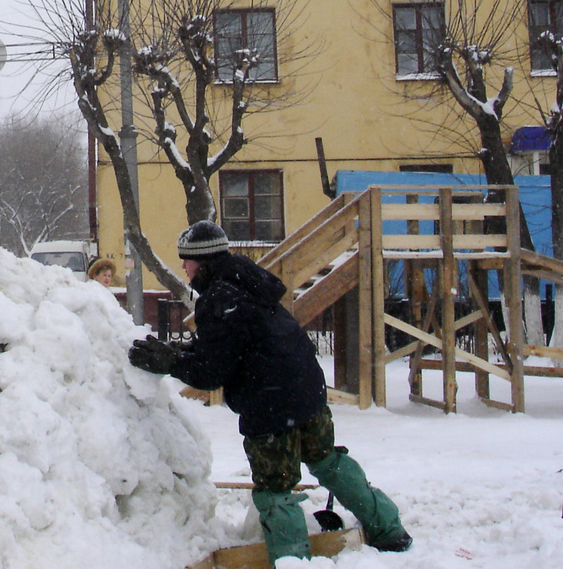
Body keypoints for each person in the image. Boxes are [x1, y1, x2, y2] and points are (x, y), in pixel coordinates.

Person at [128, 221, 412, 561]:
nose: (184, 268)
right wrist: (181, 351)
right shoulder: (248, 281)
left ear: (202, 261)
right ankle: (389, 530)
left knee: (276, 490)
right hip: (307, 391)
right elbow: (235, 342)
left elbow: (211, 372)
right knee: (328, 460)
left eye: (186, 261)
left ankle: (292, 560)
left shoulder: (219, 298)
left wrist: (169, 362)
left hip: (271, 406)